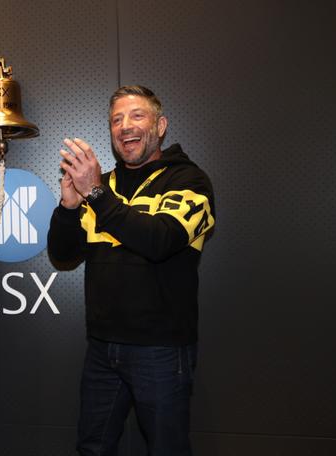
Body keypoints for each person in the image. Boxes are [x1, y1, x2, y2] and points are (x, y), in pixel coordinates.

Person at [48, 85, 215, 456]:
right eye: (116, 120)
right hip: (103, 348)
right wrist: (69, 206)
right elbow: (63, 253)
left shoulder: (188, 180)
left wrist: (94, 195)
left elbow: (159, 241)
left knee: (166, 448)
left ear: (161, 125)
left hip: (161, 349)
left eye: (137, 116)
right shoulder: (100, 185)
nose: (125, 126)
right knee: (92, 446)